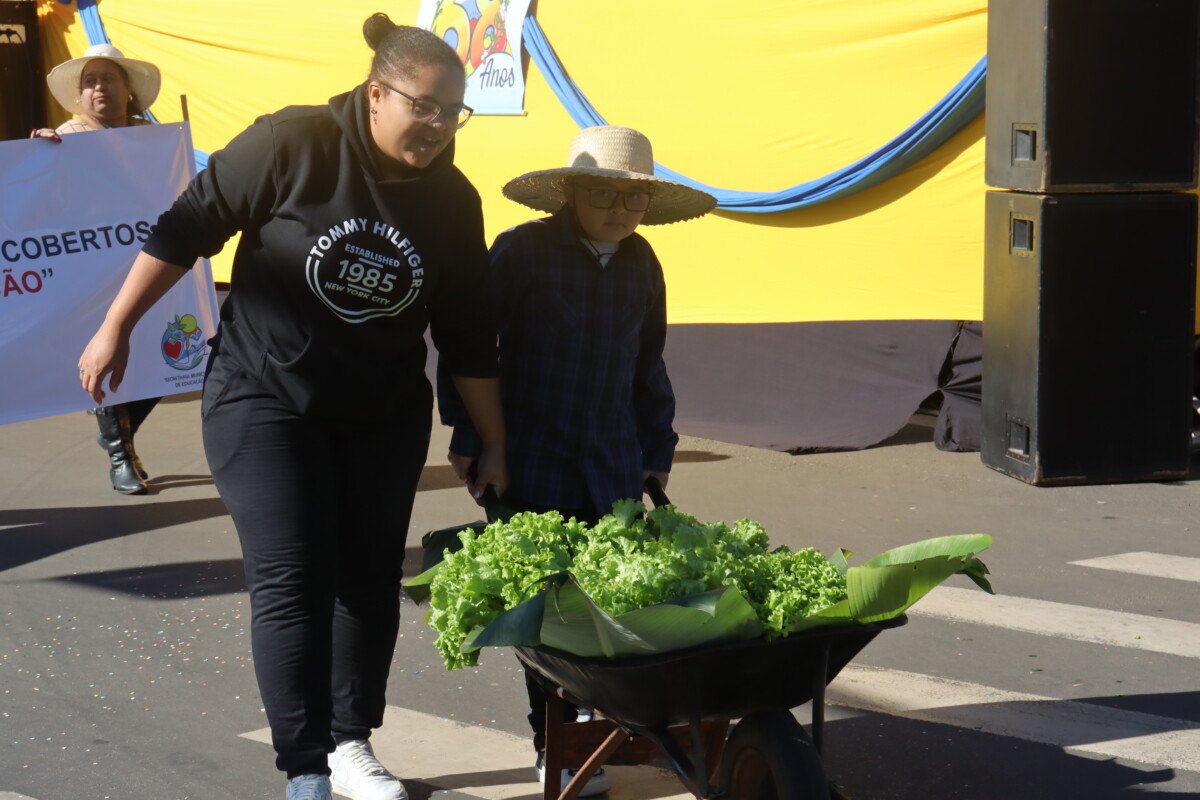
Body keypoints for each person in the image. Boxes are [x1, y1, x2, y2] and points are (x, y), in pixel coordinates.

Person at [76, 15, 506, 800]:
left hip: (381, 410)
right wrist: (116, 327)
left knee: (369, 579)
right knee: (293, 574)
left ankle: (350, 743)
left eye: (454, 112)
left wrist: (493, 438)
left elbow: (469, 333)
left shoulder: (452, 200)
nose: (440, 126)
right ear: (376, 94)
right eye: (424, 106)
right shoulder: (292, 144)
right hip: (264, 395)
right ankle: (305, 768)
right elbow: (187, 227)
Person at [441, 124, 716, 796]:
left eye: (634, 198)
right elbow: (471, 347)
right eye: (603, 195)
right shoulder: (522, 252)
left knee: (610, 604)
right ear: (569, 193)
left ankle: (595, 721)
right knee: (547, 617)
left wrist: (656, 449)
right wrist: (471, 437)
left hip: (612, 465)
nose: (620, 211)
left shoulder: (642, 263)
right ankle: (554, 746)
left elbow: (647, 363)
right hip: (530, 459)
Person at [32, 43, 166, 495]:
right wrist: (40, 158)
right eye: (90, 81)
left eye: (108, 78)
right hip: (91, 269)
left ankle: (116, 433)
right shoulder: (65, 137)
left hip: (147, 261)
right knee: (105, 349)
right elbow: (46, 203)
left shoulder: (153, 137)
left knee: (170, 351)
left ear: (128, 89)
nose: (98, 88)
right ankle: (120, 456)